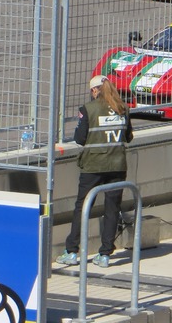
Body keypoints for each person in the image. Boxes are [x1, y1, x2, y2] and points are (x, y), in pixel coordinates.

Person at [56, 75, 133, 269]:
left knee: (82, 206)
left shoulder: (88, 110)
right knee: (112, 207)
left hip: (93, 165)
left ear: (94, 90)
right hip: (117, 164)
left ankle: (72, 251)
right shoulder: (122, 109)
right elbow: (128, 136)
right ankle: (105, 254)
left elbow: (80, 138)